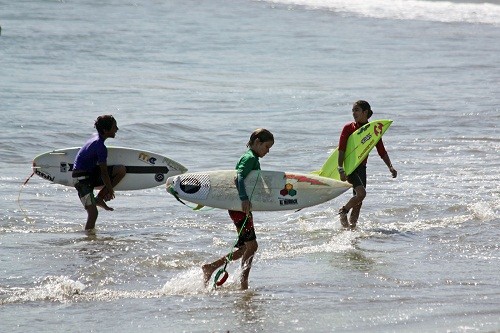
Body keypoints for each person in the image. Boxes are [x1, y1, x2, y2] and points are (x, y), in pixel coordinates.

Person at [202, 128, 274, 290]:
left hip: (240, 207)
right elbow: (238, 177)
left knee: (243, 249)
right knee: (252, 246)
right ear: (257, 142)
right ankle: (244, 283)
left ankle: (211, 267)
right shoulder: (249, 158)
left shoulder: (253, 158)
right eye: (267, 147)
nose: (268, 151)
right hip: (239, 207)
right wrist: (244, 199)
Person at [337, 100, 397, 229]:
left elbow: (381, 150)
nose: (354, 113)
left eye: (357, 110)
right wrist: (340, 168)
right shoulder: (348, 128)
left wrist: (390, 166)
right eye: (353, 110)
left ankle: (351, 229)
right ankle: (343, 211)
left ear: (365, 112)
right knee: (361, 194)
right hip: (351, 167)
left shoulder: (372, 130)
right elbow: (341, 149)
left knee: (359, 202)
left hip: (362, 168)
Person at [72, 115, 126, 231]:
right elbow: (104, 172)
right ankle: (88, 239)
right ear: (105, 130)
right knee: (93, 213)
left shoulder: (95, 137)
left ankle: (99, 198)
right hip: (81, 179)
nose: (117, 129)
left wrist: (108, 189)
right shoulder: (100, 146)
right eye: (114, 127)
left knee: (120, 170)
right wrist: (110, 189)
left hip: (90, 174)